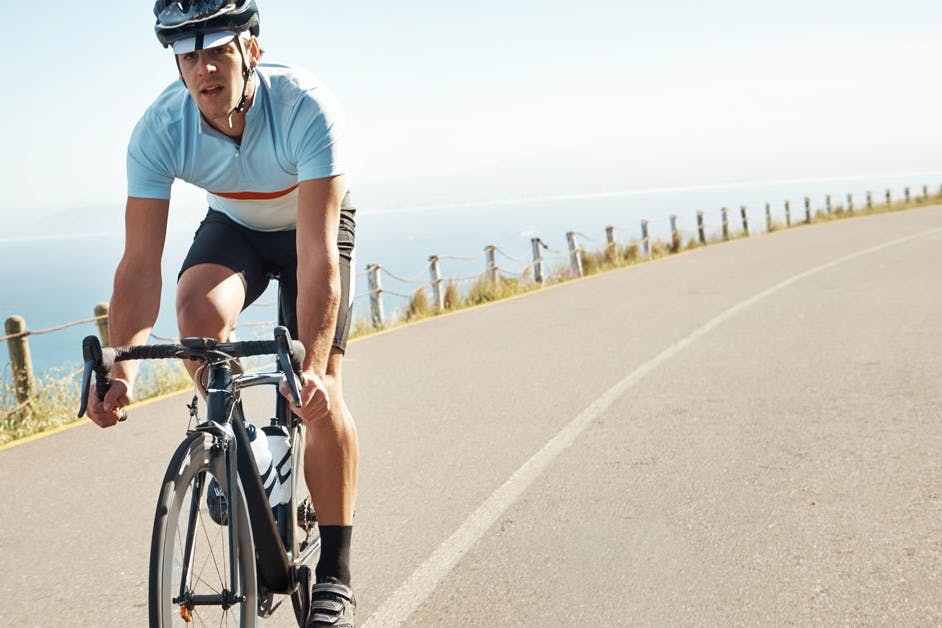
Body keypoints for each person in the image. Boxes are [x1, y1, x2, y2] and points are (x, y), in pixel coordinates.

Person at [85, 1, 359, 625]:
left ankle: (336, 574)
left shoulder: (305, 106)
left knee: (320, 392)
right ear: (178, 68)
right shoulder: (159, 129)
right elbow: (138, 265)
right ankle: (247, 451)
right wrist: (120, 369)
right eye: (189, 56)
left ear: (251, 51)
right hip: (235, 224)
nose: (205, 68)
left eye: (218, 51)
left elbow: (316, 259)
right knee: (196, 322)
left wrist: (311, 368)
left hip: (310, 227)